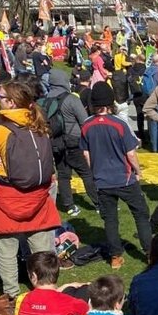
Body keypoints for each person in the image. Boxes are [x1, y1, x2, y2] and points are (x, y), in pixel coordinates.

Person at [0, 82, 61, 299]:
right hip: (38, 197)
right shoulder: (40, 125)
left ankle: (11, 296)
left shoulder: (0, 130)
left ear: (11, 102)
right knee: (42, 250)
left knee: (6, 253)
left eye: (1, 96)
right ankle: (47, 290)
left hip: (6, 198)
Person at [81, 83, 152, 270]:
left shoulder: (87, 125)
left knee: (110, 219)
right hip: (125, 178)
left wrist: (95, 172)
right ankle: (150, 253)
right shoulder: (119, 124)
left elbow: (86, 155)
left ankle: (115, 256)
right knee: (141, 214)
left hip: (102, 181)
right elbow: (130, 153)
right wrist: (138, 171)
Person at [46, 68, 99, 217]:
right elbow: (84, 121)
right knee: (86, 173)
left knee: (63, 175)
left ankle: (69, 206)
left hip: (55, 143)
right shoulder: (71, 99)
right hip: (74, 141)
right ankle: (98, 203)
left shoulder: (44, 101)